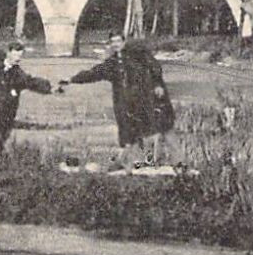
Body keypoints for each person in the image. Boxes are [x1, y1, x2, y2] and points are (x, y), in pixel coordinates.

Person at [58, 33, 175, 164]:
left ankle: (152, 161)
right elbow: (93, 73)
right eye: (113, 42)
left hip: (142, 100)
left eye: (118, 41)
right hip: (123, 103)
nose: (116, 44)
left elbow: (155, 67)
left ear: (124, 42)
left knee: (150, 131)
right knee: (128, 135)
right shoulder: (112, 63)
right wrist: (71, 79)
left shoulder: (138, 55)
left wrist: (157, 84)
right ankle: (133, 163)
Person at [0, 41, 55, 152]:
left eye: (20, 56)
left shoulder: (18, 74)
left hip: (7, 110)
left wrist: (49, 87)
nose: (18, 59)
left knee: (1, 137)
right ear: (9, 53)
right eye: (16, 55)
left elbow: (31, 82)